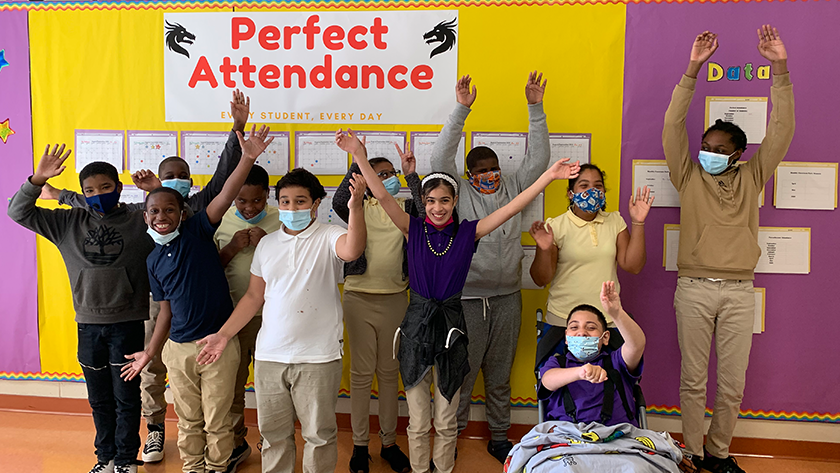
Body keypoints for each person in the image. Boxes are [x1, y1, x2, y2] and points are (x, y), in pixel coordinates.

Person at [336, 128, 579, 473]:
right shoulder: (413, 228)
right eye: (431, 201)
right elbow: (383, 196)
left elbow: (511, 208)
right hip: (417, 329)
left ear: (455, 203)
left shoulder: (469, 233)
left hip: (452, 328)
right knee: (419, 421)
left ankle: (443, 468)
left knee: (446, 420)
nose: (437, 208)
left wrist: (549, 177)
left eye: (445, 201)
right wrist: (359, 154)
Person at [41, 90, 252, 464]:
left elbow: (224, 184)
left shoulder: (197, 218)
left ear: (183, 202)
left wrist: (242, 140)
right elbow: (96, 203)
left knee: (215, 411)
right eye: (156, 205)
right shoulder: (151, 242)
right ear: (146, 211)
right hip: (164, 323)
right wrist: (58, 192)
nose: (162, 213)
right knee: (160, 384)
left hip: (214, 330)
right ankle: (156, 432)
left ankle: (223, 455)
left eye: (180, 182)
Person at [662, 26, 794, 473]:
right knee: (693, 380)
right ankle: (693, 454)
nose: (710, 153)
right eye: (706, 146)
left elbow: (782, 128)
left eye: (720, 149)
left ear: (738, 154)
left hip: (739, 291)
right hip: (694, 288)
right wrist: (693, 68)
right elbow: (672, 124)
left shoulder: (754, 177)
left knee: (732, 384)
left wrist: (779, 68)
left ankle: (719, 454)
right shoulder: (688, 175)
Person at [120, 125, 272, 473]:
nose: (162, 217)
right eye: (154, 212)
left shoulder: (200, 230)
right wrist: (150, 352)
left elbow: (225, 191)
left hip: (217, 344)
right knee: (188, 420)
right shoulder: (153, 260)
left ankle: (218, 467)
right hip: (179, 350)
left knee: (218, 421)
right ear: (145, 217)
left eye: (170, 210)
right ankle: (193, 467)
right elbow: (165, 313)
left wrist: (247, 156)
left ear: (183, 212)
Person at [194, 167, 368, 473]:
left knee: (319, 435)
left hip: (318, 356)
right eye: (285, 201)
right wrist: (223, 335)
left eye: (300, 201)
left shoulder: (329, 236)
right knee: (274, 436)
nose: (292, 208)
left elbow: (352, 250)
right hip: (270, 356)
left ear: (316, 204)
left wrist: (356, 209)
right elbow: (252, 297)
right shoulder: (267, 244)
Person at [8, 147, 154, 473]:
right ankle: (106, 458)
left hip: (128, 323)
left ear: (118, 187)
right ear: (83, 194)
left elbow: (178, 211)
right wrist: (39, 179)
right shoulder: (67, 223)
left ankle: (127, 460)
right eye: (90, 191)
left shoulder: (137, 218)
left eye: (105, 187)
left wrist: (154, 190)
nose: (97, 195)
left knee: (127, 398)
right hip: (87, 325)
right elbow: (17, 212)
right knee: (99, 400)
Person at [430, 72, 551, 462]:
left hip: (507, 300)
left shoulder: (515, 187)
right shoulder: (460, 192)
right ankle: (454, 433)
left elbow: (540, 159)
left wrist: (536, 107)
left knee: (499, 376)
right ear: (468, 175)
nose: (488, 174)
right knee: (463, 374)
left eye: (492, 167)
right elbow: (438, 159)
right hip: (466, 300)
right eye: (480, 170)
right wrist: (461, 110)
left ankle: (500, 438)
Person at [332, 148, 423, 473]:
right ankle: (359, 446)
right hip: (358, 300)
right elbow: (338, 200)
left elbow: (430, 209)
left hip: (397, 298)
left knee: (389, 374)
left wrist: (410, 175)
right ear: (367, 181)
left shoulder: (408, 208)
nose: (386, 179)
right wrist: (359, 160)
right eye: (378, 174)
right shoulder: (358, 207)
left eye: (389, 174)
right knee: (360, 376)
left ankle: (388, 443)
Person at [529, 165, 652, 351]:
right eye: (584, 186)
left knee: (605, 378)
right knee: (564, 376)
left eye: (598, 186)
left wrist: (638, 221)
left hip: (607, 320)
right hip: (565, 321)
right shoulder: (556, 225)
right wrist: (544, 248)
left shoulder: (615, 221)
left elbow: (633, 266)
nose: (592, 191)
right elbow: (541, 279)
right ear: (571, 193)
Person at [213, 164, 282, 468]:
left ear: (268, 195)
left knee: (272, 384)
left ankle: (273, 440)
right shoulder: (219, 220)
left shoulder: (283, 220)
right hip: (234, 316)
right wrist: (230, 248)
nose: (249, 207)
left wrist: (269, 242)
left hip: (274, 317)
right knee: (233, 383)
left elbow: (297, 267)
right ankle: (237, 441)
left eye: (257, 200)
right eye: (241, 201)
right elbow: (208, 269)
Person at [538, 282, 645, 427]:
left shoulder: (616, 361)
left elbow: (636, 345)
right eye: (574, 327)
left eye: (591, 327)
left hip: (617, 436)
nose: (581, 332)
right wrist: (580, 372)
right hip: (566, 437)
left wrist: (617, 313)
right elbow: (547, 381)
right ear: (566, 338)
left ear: (605, 337)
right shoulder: (557, 363)